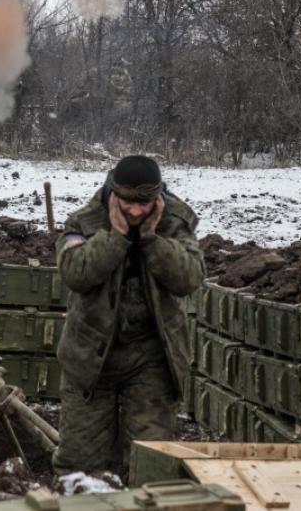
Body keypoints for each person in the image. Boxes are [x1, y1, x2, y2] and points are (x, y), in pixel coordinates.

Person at [52, 155, 205, 474]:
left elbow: (190, 278)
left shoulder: (175, 223)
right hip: (90, 359)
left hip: (152, 358)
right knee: (79, 464)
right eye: (127, 202)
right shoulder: (86, 220)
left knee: (149, 464)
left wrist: (151, 240)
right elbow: (75, 273)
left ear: (158, 198)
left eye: (145, 203)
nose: (136, 211)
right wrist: (116, 238)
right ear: (113, 193)